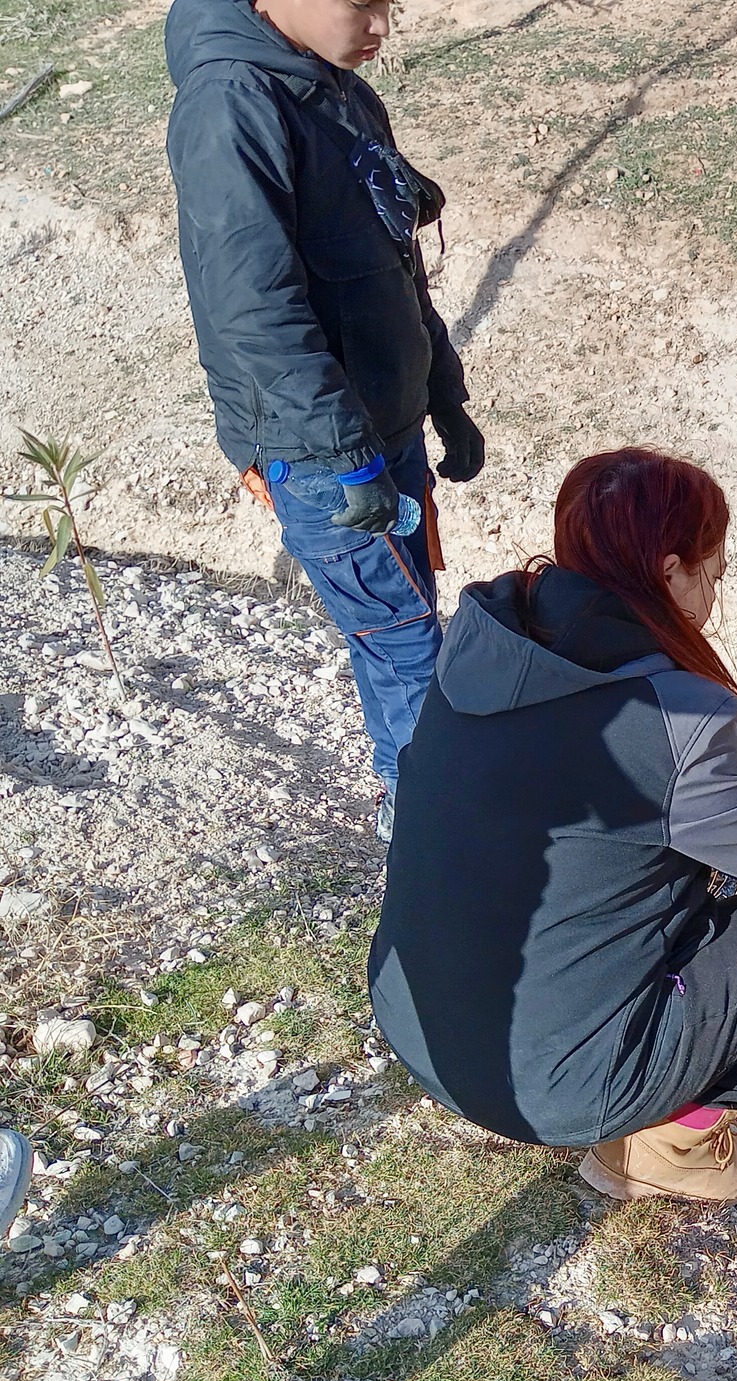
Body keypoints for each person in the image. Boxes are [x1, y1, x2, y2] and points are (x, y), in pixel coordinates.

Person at [369, 448, 737, 1204]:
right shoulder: (674, 722)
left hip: (415, 1022)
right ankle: (669, 1147)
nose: (713, 594)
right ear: (670, 571)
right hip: (553, 1090)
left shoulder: (481, 639)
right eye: (713, 573)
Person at [165, 0, 485, 841]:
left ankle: (410, 805)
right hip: (320, 452)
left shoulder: (341, 89)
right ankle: (437, 839)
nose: (382, 24)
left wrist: (443, 394)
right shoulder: (231, 105)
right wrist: (344, 455)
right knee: (408, 642)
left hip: (385, 425)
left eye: (390, 4)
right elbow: (253, 309)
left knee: (399, 628)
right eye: (361, 3)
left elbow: (398, 267)